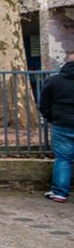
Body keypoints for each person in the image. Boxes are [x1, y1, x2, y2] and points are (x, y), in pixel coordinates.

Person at [39, 50, 74, 203]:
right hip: (61, 121)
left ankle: (60, 192)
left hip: (61, 123)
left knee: (63, 159)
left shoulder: (54, 80)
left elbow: (44, 103)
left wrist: (51, 117)